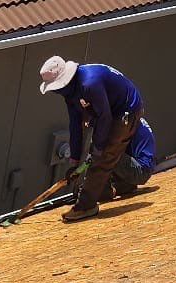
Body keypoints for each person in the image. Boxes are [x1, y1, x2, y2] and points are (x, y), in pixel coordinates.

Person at [39, 56, 145, 222]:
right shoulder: (70, 93)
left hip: (126, 112)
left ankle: (86, 207)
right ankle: (110, 191)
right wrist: (74, 162)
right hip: (107, 112)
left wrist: (97, 149)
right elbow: (75, 125)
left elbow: (105, 118)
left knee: (102, 156)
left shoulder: (89, 83)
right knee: (97, 154)